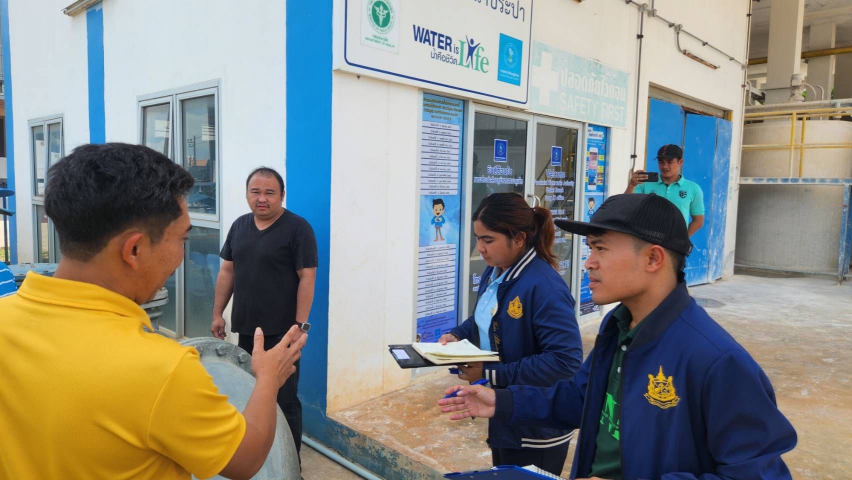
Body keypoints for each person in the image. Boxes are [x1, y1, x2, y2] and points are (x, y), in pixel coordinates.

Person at [0, 143, 307, 479]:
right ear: (134, 249)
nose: (181, 258)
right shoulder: (163, 371)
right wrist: (268, 378)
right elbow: (245, 460)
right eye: (182, 240)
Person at [439, 194, 797, 480]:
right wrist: (501, 401)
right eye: (590, 249)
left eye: (601, 248)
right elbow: (581, 398)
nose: (588, 263)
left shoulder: (716, 360)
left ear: (653, 258)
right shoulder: (618, 328)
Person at [438, 192, 583, 476]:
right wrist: (458, 334)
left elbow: (565, 361)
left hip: (536, 425)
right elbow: (486, 317)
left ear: (518, 238)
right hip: (503, 410)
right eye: (477, 238)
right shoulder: (495, 272)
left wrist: (490, 372)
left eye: (488, 239)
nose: (480, 248)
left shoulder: (545, 287)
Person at [211, 166, 317, 462]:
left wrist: (300, 326)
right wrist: (218, 313)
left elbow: (307, 277)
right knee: (251, 392)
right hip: (247, 329)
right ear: (247, 194)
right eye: (255, 192)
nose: (262, 198)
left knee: (284, 400)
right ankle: (262, 460)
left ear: (282, 195)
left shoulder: (298, 228)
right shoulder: (239, 226)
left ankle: (290, 466)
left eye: (270, 192)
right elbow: (227, 271)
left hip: (282, 334)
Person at [626, 144, 705, 237]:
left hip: (674, 241)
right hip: (647, 238)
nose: (664, 166)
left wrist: (682, 240)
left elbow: (698, 221)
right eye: (661, 162)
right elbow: (627, 206)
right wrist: (631, 185)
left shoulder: (693, 189)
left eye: (669, 162)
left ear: (680, 162)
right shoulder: (644, 184)